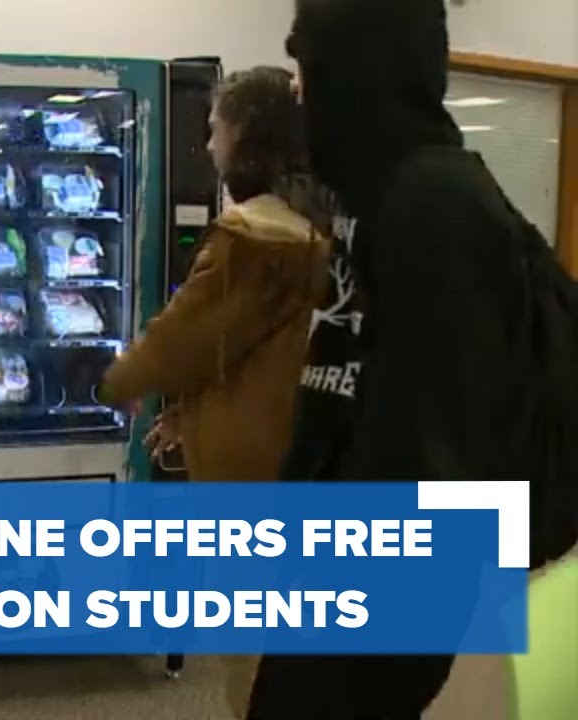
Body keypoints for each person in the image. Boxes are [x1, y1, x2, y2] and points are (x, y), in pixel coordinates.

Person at [256, 0, 578, 717]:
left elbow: (434, 447)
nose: (299, 92)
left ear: (359, 70)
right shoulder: (377, 198)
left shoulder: (435, 205)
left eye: (307, 65)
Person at [98, 67, 328, 719]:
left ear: (245, 135)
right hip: (299, 461)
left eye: (214, 129)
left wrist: (110, 381)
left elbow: (182, 337)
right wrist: (185, 412)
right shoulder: (313, 224)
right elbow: (243, 346)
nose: (206, 146)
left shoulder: (249, 235)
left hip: (248, 482)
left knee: (252, 658)